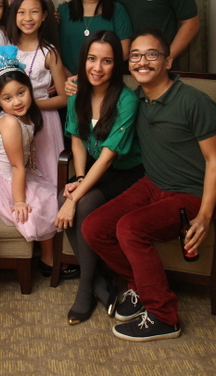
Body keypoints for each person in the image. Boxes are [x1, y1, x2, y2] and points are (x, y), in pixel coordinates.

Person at [83, 28, 216, 342]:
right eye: (135, 55)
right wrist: (74, 82)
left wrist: (204, 216)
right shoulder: (135, 99)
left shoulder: (195, 102)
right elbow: (99, 87)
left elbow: (215, 161)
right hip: (152, 184)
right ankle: (139, 285)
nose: (142, 61)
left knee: (129, 229)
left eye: (151, 54)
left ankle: (164, 316)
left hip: (188, 194)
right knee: (94, 227)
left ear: (168, 60)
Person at [56, 30, 143, 326]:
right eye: (92, 59)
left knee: (79, 203)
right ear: (83, 60)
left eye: (107, 61)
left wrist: (75, 197)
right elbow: (77, 139)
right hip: (94, 170)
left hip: (126, 172)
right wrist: (79, 177)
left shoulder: (126, 100)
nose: (97, 67)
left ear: (116, 65)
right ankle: (97, 279)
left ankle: (85, 289)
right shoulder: (77, 91)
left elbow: (107, 158)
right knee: (62, 196)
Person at [0, 45, 62, 276]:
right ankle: (48, 260)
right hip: (4, 178)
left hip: (16, 172)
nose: (17, 102)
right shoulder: (9, 122)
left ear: (30, 89)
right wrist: (19, 201)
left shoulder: (24, 117)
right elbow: (16, 165)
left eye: (21, 93)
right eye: (8, 98)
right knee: (43, 202)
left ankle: (48, 258)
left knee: (50, 195)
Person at [7, 0, 67, 187]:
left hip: (44, 121)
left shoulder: (49, 52)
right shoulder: (8, 49)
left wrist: (32, 104)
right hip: (13, 120)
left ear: (44, 16)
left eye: (34, 12)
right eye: (21, 12)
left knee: (44, 176)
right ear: (14, 16)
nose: (28, 18)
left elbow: (63, 98)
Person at [59, 0, 132, 75]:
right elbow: (53, 55)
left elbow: (124, 53)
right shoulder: (62, 11)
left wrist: (97, 76)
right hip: (68, 82)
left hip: (104, 81)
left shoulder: (117, 11)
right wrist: (73, 80)